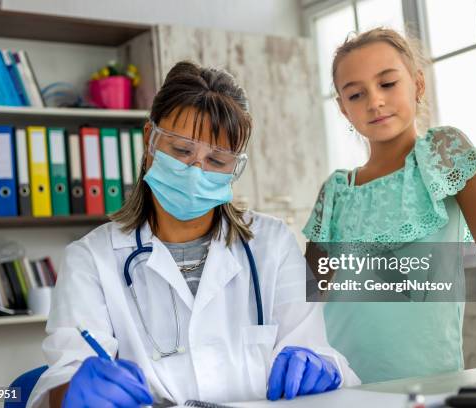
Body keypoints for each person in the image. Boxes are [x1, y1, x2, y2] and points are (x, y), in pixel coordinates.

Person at [28, 61, 359, 408]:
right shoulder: (91, 258)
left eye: (217, 161)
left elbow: (315, 352)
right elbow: (62, 380)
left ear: (235, 167)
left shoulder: (272, 244)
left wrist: (324, 366)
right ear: (150, 140)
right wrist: (71, 392)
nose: (195, 171)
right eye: (182, 150)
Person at [303, 28, 476, 384]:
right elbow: (307, 293)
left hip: (426, 378)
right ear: (344, 109)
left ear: (418, 84)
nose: (374, 101)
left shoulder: (443, 152)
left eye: (387, 84)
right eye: (356, 94)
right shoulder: (335, 191)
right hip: (337, 380)